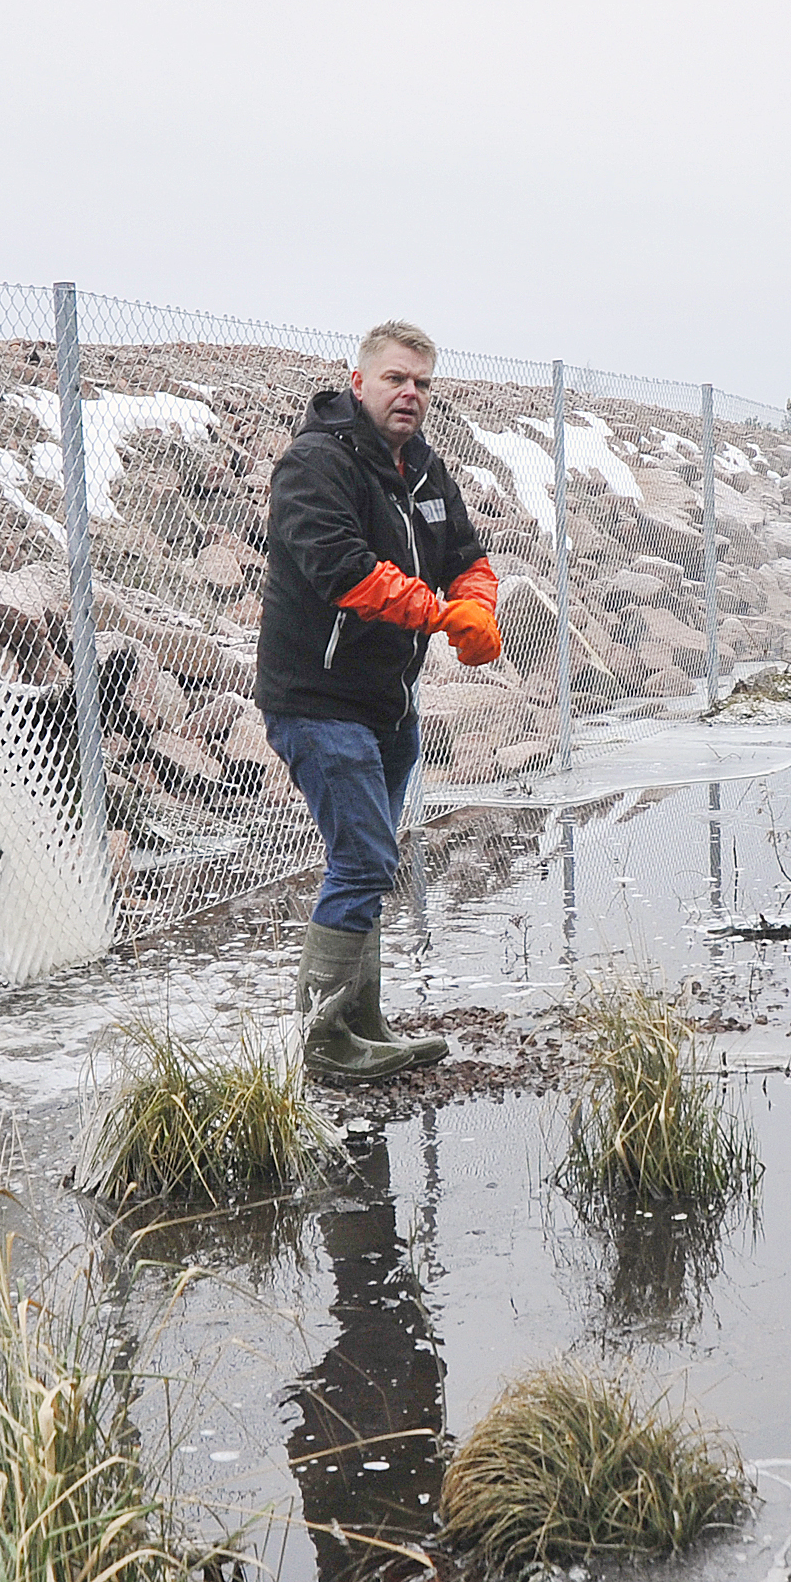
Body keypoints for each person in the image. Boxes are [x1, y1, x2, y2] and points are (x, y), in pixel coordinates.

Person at [256, 320, 504, 1082]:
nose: (411, 395)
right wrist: (438, 614)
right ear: (358, 381)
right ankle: (323, 1043)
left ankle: (360, 1021)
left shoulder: (424, 473)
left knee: (362, 860)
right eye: (397, 379)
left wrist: (480, 606)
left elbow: (467, 557)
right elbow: (344, 571)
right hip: (317, 701)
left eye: (423, 384)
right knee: (365, 860)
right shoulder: (314, 464)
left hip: (388, 707)